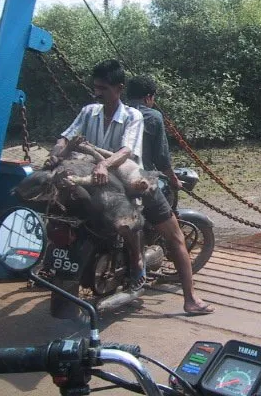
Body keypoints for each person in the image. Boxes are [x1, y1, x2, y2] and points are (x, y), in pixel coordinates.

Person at [46, 59, 147, 288]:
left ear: (119, 88)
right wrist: (55, 154)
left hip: (122, 176)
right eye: (96, 87)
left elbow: (126, 150)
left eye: (104, 88)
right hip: (89, 176)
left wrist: (103, 164)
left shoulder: (133, 116)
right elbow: (66, 136)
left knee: (128, 219)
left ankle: (137, 259)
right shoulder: (88, 111)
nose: (97, 93)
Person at [126, 74, 214, 315]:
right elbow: (162, 159)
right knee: (176, 239)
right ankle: (191, 299)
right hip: (140, 181)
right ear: (149, 97)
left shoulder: (116, 113)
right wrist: (173, 179)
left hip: (112, 182)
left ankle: (136, 271)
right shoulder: (151, 116)